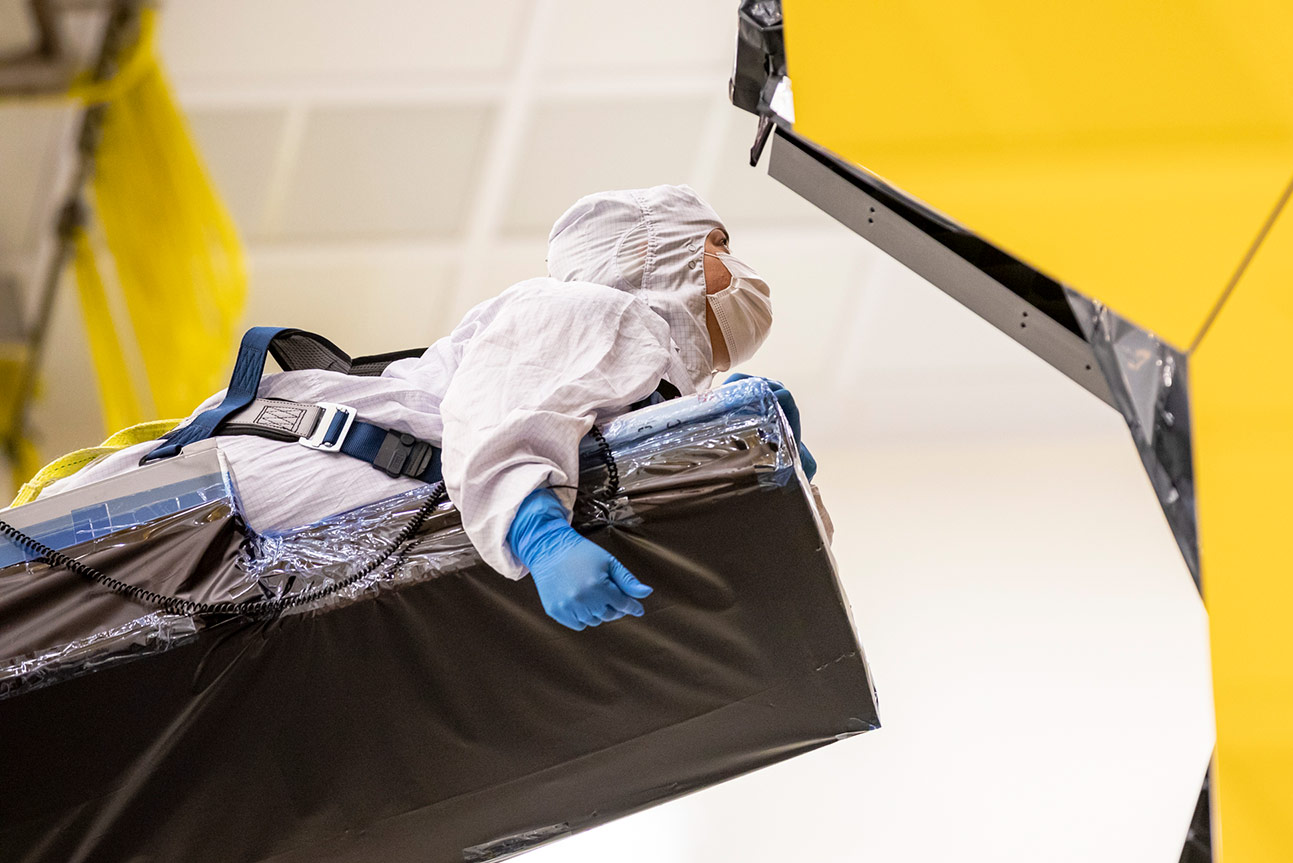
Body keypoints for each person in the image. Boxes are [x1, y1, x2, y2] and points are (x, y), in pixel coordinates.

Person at [37, 184, 774, 632]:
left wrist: (762, 459)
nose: (740, 267)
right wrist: (540, 534)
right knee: (32, 586)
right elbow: (497, 416)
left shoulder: (644, 371)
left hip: (255, 513)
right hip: (242, 490)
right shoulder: (600, 309)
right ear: (660, 250)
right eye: (720, 243)